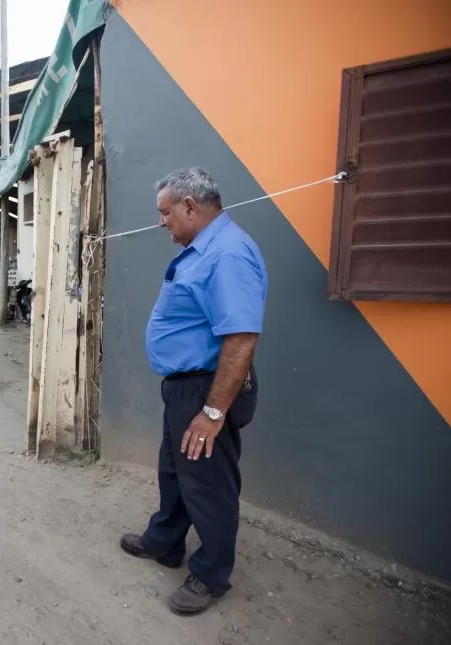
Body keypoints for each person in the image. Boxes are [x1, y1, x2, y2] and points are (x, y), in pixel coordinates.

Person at [119, 168, 267, 616]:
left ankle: (212, 573)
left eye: (165, 213)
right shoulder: (205, 248)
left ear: (189, 206)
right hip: (186, 388)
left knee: (208, 483)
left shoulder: (228, 254)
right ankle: (165, 540)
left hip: (209, 388)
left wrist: (213, 413)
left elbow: (241, 338)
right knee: (174, 469)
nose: (161, 221)